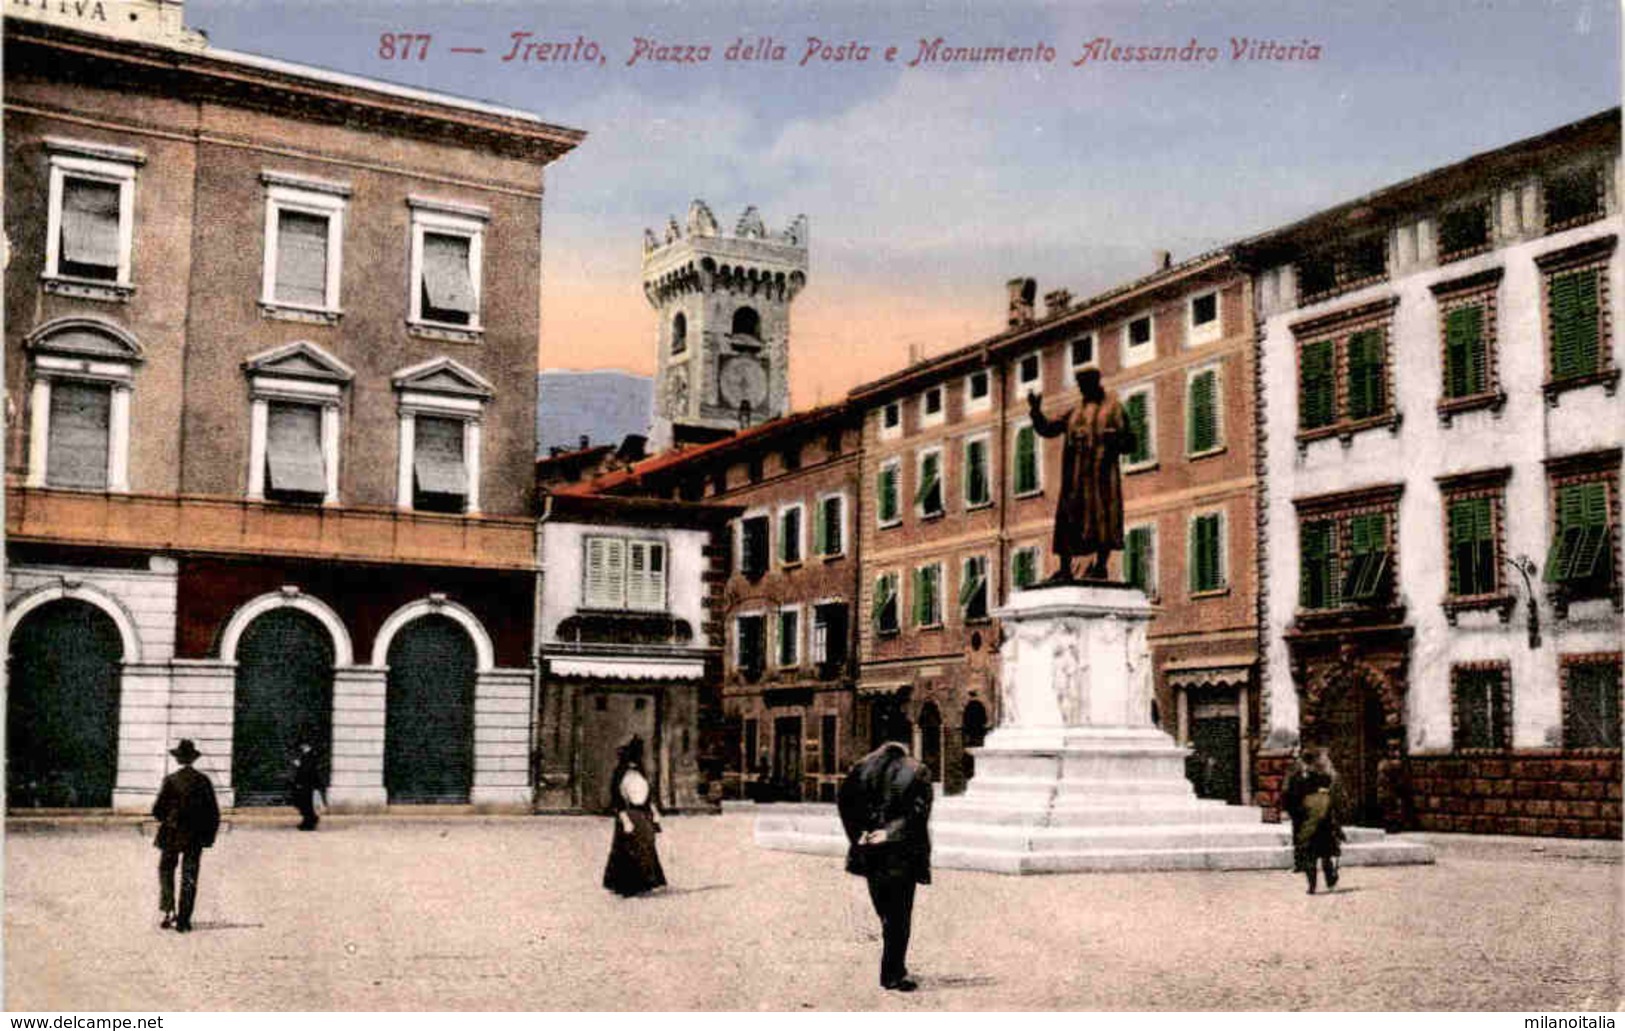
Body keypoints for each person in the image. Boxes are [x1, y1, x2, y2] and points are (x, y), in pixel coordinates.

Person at [837, 740, 934, 992]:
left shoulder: (861, 768)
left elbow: (845, 802)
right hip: (901, 853)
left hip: (869, 852)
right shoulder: (917, 770)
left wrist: (858, 833)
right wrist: (889, 834)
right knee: (899, 915)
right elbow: (918, 814)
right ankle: (893, 973)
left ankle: (893, 966)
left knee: (886, 911)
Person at [1027, 367, 1137, 581]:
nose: (1082, 390)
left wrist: (1116, 440)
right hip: (1075, 478)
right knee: (1068, 519)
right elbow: (1049, 429)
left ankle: (1101, 566)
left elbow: (1131, 442)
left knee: (1103, 520)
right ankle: (1065, 568)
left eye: (1084, 385)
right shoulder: (1074, 411)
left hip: (1101, 478)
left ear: (1095, 383)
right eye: (1080, 386)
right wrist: (1036, 412)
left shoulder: (1114, 409)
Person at [152, 739, 221, 933]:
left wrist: (169, 818)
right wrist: (208, 837)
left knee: (166, 870)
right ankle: (184, 920)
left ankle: (168, 911)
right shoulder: (203, 780)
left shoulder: (171, 780)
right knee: (190, 876)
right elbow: (213, 813)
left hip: (171, 834)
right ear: (193, 759)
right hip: (195, 836)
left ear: (178, 759)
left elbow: (157, 810)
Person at [602, 736, 667, 897]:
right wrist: (625, 820)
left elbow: (648, 795)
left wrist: (655, 813)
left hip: (642, 813)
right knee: (628, 849)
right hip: (629, 814)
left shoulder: (640, 772)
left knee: (646, 845)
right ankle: (626, 885)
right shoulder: (620, 773)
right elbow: (617, 799)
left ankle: (646, 881)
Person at [1282, 747, 1346, 894]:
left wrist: (1294, 815)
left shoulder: (1296, 778)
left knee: (1310, 855)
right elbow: (1331, 800)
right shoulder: (1324, 777)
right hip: (1323, 821)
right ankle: (1330, 878)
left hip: (1306, 822)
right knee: (1325, 854)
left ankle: (1312, 886)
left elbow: (1288, 798)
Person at [291, 742, 325, 831]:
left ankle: (309, 823)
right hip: (308, 784)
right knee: (306, 804)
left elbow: (308, 770)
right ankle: (308, 821)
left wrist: (299, 765)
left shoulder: (310, 755)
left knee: (307, 805)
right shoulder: (308, 754)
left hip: (308, 784)